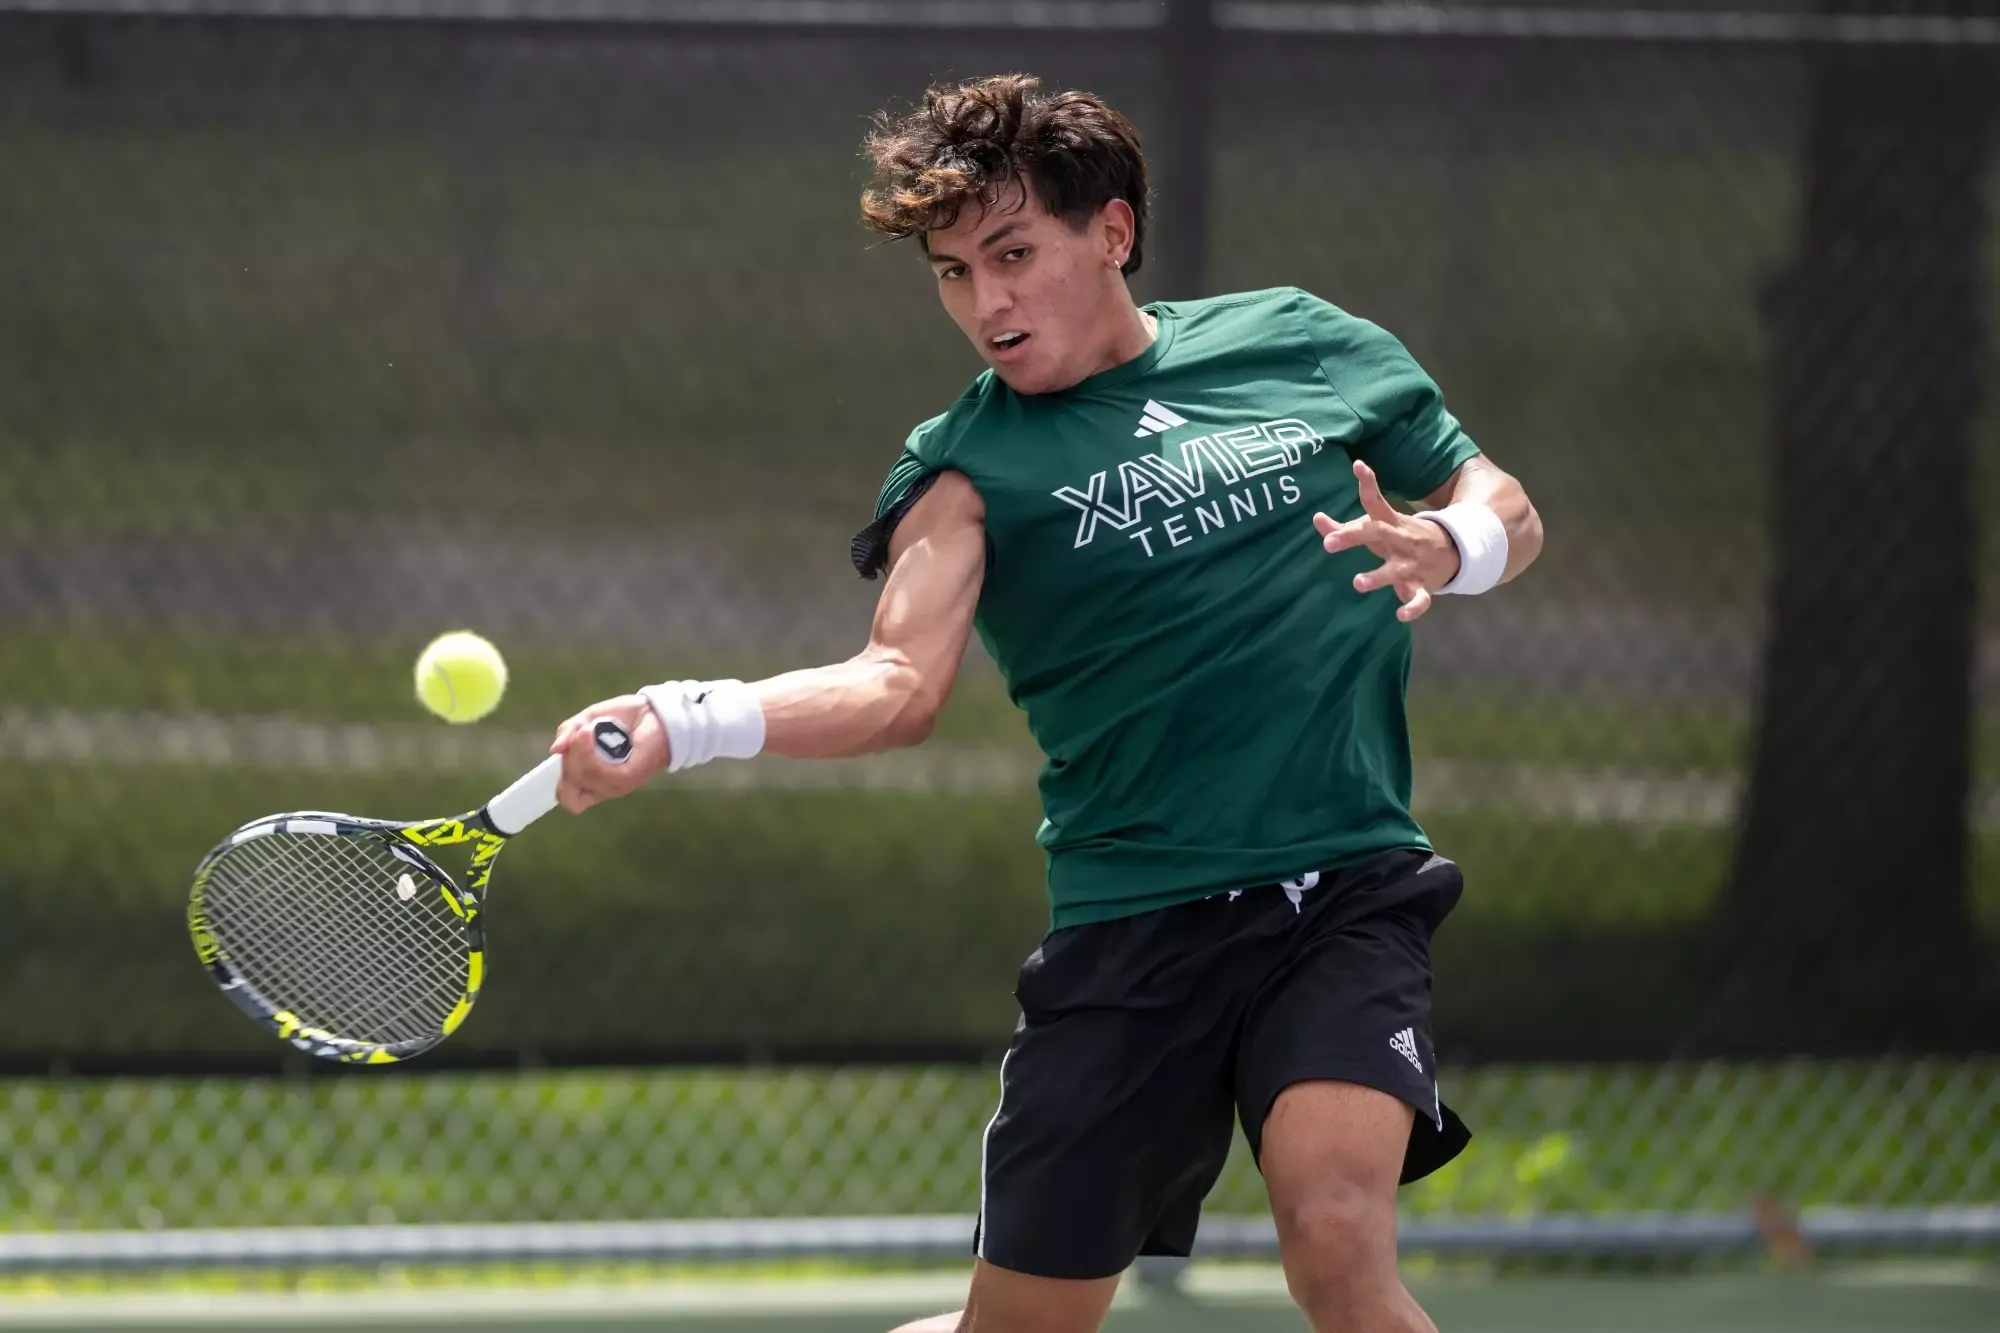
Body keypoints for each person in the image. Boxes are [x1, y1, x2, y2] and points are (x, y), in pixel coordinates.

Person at [549, 73, 1544, 1333]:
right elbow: (895, 684)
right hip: (1131, 934)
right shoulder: (965, 466)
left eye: (1013, 254)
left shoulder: (1298, 342)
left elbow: (1503, 501)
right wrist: (684, 720)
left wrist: (1453, 546)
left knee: (1338, 1242)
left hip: (1340, 892)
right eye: (955, 273)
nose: (987, 302)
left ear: (1111, 235)